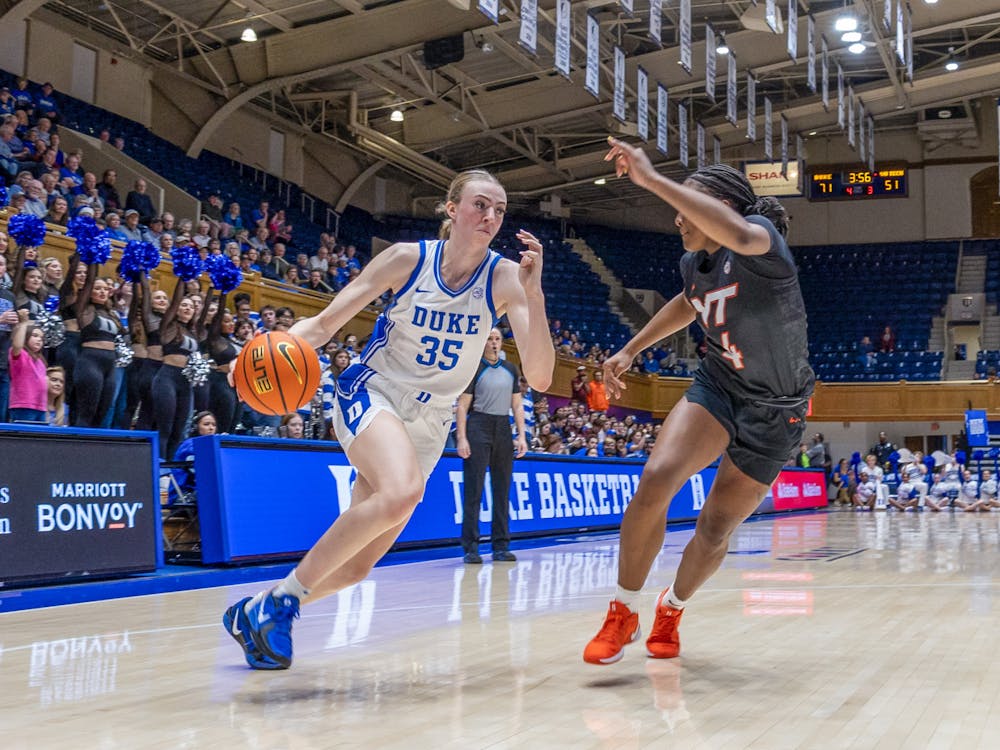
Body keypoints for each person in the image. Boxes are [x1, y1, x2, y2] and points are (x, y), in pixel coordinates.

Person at [223, 169, 554, 670]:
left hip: (433, 418)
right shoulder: (408, 258)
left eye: (500, 210)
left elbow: (541, 375)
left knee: (357, 566)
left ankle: (257, 610)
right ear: (451, 209)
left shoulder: (507, 278)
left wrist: (536, 295)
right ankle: (282, 603)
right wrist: (255, 355)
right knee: (402, 492)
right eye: (480, 205)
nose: (491, 217)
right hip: (374, 391)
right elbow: (325, 323)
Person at [582, 142, 813, 666]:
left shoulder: (763, 243)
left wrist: (652, 179)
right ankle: (624, 610)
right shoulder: (694, 262)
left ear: (722, 209)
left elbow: (736, 232)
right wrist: (629, 348)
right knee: (658, 476)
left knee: (714, 528)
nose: (677, 216)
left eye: (688, 204)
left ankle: (673, 609)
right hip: (719, 385)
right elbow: (689, 303)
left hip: (777, 409)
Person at [456, 327, 527, 564]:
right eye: (489, 339)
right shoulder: (474, 368)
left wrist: (522, 435)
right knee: (474, 489)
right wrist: (462, 437)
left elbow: (517, 406)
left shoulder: (510, 369)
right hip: (478, 424)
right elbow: (462, 406)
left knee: (502, 489)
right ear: (482, 342)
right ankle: (471, 547)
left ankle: (501, 545)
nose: (494, 343)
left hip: (502, 427)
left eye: (497, 339)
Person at [7, 311, 47, 422]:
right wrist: (24, 323)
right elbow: (17, 345)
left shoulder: (41, 360)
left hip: (40, 406)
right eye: (35, 336)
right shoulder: (21, 355)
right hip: (23, 406)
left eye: (42, 338)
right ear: (25, 337)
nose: (39, 339)